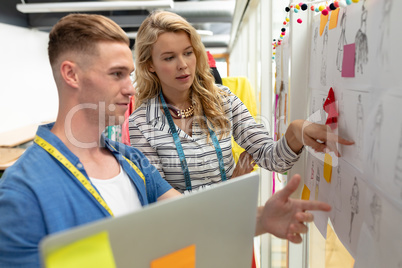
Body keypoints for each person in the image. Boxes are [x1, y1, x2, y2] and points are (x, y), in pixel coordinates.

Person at [0, 13, 331, 267]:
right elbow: (148, 238)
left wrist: (259, 219)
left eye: (188, 53)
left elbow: (181, 219)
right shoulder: (23, 189)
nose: (129, 89)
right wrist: (233, 193)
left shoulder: (130, 163)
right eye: (117, 74)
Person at [128, 11, 354, 194]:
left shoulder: (223, 100)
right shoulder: (141, 123)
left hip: (231, 226)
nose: (183, 65)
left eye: (188, 53)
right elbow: (158, 196)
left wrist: (295, 133)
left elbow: (272, 159)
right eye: (169, 58)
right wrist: (228, 187)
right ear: (150, 65)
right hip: (179, 236)